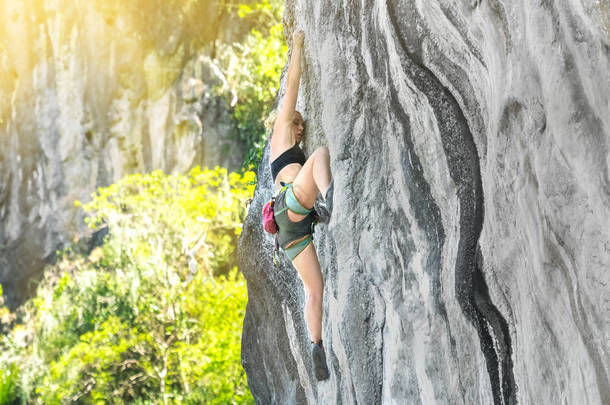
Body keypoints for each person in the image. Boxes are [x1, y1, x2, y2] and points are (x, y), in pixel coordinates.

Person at [266, 29, 333, 381]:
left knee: (314, 289)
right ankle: (331, 198)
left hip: (290, 230)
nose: (300, 128)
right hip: (289, 203)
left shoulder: (285, 145)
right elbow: (292, 84)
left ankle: (316, 344)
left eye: (302, 125)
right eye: (298, 122)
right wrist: (300, 44)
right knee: (320, 155)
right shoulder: (281, 131)